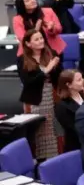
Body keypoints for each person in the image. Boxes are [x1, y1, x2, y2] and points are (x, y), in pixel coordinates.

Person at [17, 27, 61, 160]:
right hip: (34, 99)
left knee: (53, 130)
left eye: (41, 38)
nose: (41, 41)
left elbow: (58, 77)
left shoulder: (50, 54)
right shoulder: (22, 59)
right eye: (36, 39)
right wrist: (47, 70)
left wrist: (54, 68)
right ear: (28, 43)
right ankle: (39, 160)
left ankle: (55, 158)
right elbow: (28, 81)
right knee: (38, 131)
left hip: (52, 96)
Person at [53, 68, 84, 155]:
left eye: (82, 78)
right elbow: (75, 129)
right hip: (77, 147)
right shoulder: (62, 106)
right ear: (69, 85)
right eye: (79, 80)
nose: (83, 81)